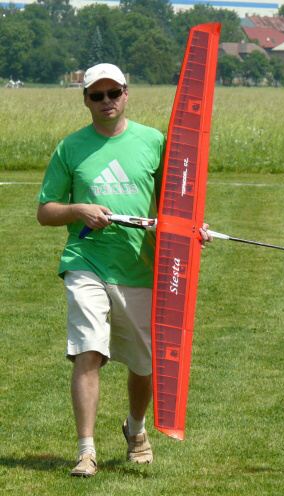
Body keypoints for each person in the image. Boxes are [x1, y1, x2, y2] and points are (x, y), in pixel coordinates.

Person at [37, 63, 210, 477]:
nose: (106, 102)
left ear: (126, 93)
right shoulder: (71, 148)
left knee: (144, 364)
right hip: (86, 261)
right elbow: (45, 211)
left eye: (113, 93)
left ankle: (135, 429)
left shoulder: (153, 141)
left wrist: (192, 229)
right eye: (96, 96)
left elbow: (179, 199)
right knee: (89, 350)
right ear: (85, 100)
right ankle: (86, 450)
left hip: (140, 266)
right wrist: (77, 209)